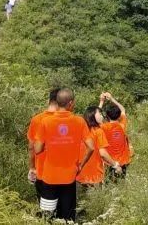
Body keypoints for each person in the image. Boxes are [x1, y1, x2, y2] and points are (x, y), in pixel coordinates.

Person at [34, 88, 93, 221]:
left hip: (49, 176)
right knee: (67, 217)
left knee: (47, 216)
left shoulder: (45, 121)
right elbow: (91, 147)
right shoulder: (79, 121)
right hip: (69, 176)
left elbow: (37, 149)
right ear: (71, 103)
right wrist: (80, 166)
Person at [76, 105, 123, 187]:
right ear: (92, 115)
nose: (102, 116)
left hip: (79, 174)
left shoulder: (80, 129)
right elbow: (103, 153)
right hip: (94, 175)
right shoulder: (98, 131)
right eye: (100, 113)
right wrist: (115, 165)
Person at [27, 88, 60, 198]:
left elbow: (31, 147)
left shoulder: (37, 119)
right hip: (63, 171)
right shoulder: (67, 120)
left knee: (45, 207)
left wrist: (32, 168)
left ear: (48, 101)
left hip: (42, 170)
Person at [99, 92, 132, 177]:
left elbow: (95, 118)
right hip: (123, 161)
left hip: (110, 162)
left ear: (107, 116)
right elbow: (123, 110)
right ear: (118, 115)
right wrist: (112, 98)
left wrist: (101, 101)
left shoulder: (104, 127)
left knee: (110, 184)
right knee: (121, 183)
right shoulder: (122, 125)